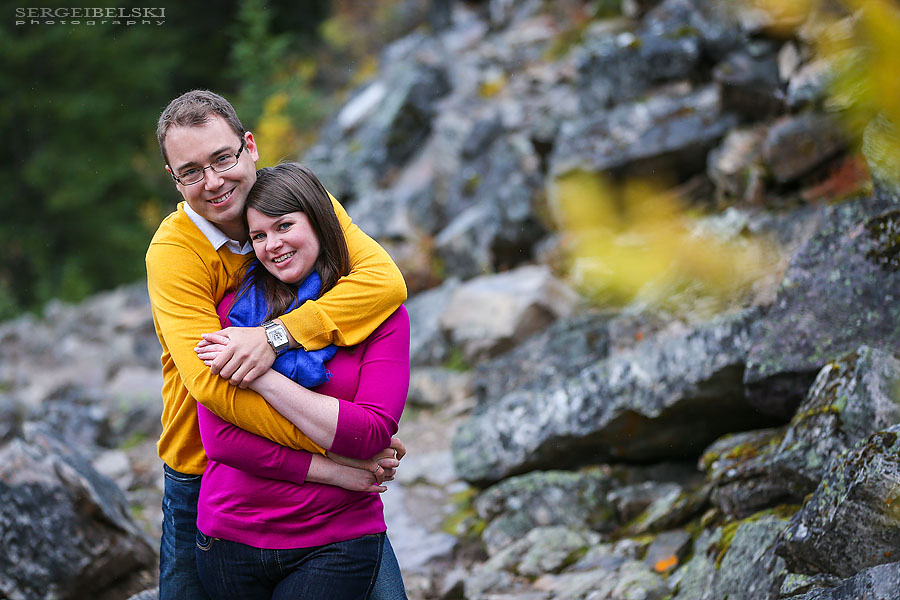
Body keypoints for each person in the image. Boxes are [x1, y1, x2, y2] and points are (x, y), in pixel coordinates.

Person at [146, 90, 408, 599]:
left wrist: (276, 336)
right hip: (209, 472)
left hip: (327, 493)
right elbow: (211, 385)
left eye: (222, 158)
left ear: (250, 146)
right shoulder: (175, 254)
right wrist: (345, 449)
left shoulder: (295, 204)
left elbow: (383, 283)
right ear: (174, 180)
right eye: (191, 171)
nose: (214, 181)